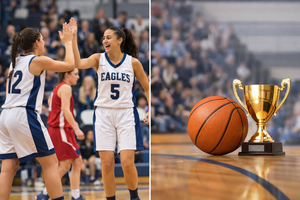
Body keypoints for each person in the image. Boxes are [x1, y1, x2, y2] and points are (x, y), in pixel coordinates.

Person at [69, 18, 149, 200]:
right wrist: (73, 38)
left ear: (120, 40)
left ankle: (134, 197)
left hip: (126, 113)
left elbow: (147, 87)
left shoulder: (133, 62)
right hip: (103, 113)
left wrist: (150, 108)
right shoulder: (98, 59)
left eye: (108, 37)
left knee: (127, 163)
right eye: (103, 38)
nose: (104, 41)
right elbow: (78, 63)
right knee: (106, 164)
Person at [0, 23, 75, 200]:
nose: (44, 42)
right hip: (23, 115)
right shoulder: (37, 60)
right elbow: (70, 64)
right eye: (42, 39)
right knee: (50, 163)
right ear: (36, 43)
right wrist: (69, 42)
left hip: (5, 115)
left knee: (8, 167)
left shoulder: (14, 62)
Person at [35, 68, 85, 200]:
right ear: (67, 75)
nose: (78, 77)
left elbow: (53, 105)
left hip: (58, 129)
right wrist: (76, 128)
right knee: (65, 165)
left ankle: (73, 195)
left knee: (75, 162)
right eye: (75, 74)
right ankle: (45, 193)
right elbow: (65, 111)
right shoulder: (66, 88)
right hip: (61, 129)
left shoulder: (57, 88)